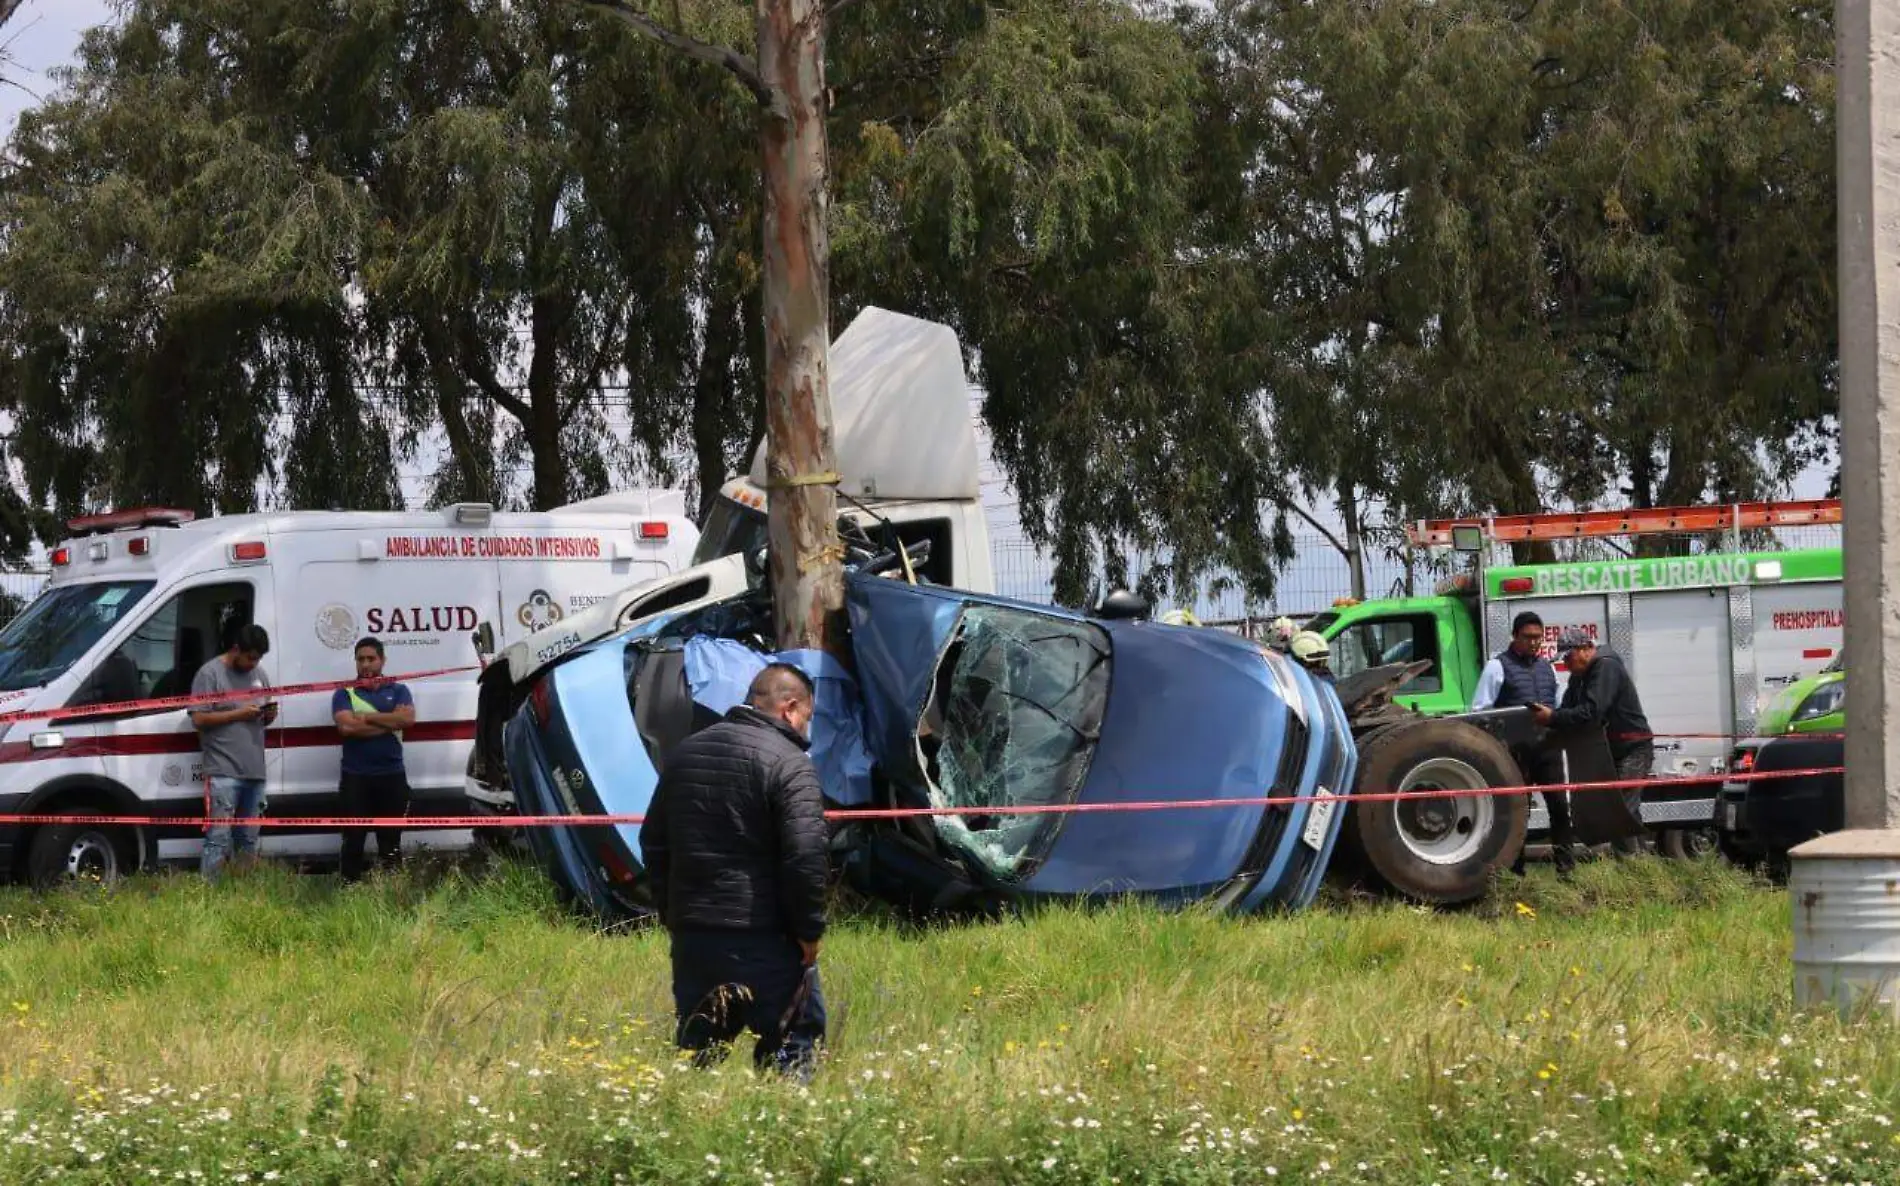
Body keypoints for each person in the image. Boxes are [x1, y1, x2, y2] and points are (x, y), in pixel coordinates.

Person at [639, 663, 829, 1079]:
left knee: (699, 1053)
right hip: (765, 939)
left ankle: (689, 1126)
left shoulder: (685, 754)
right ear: (790, 708)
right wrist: (808, 931)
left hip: (695, 941)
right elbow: (806, 855)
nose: (805, 728)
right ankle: (786, 1127)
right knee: (791, 1045)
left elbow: (653, 842)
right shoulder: (790, 763)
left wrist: (673, 915)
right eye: (807, 717)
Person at [1533, 629, 1654, 858]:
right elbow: (1568, 710)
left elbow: (1592, 712)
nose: (1566, 665)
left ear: (1586, 648)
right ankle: (1642, 866)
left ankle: (1628, 868)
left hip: (1633, 749)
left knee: (1618, 813)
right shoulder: (1580, 675)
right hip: (1611, 751)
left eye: (1568, 658)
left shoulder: (1605, 666)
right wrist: (1548, 724)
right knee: (1628, 813)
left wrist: (1553, 718)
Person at [1470, 612, 1576, 873]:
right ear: (1515, 636)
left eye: (1538, 638)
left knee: (1560, 810)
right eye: (1528, 637)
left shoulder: (1548, 668)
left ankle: (1566, 869)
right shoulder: (1497, 667)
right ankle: (1515, 872)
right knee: (1518, 814)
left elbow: (1559, 706)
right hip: (1515, 753)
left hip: (1548, 749)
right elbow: (1480, 711)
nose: (1534, 643)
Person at [189, 624, 276, 880]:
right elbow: (199, 719)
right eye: (250, 657)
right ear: (236, 649)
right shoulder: (210, 673)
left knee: (248, 839)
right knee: (218, 837)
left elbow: (263, 714)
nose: (254, 663)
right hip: (223, 771)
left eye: (258, 658)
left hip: (254, 771)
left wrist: (269, 715)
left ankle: (243, 895)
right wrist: (238, 713)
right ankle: (211, 895)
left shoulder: (259, 674)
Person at [331, 637, 416, 882]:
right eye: (361, 659)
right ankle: (350, 891)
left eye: (371, 658)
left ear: (382, 660)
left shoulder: (399, 690)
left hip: (391, 776)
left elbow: (408, 720)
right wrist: (389, 721)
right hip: (356, 777)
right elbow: (347, 728)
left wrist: (366, 719)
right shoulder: (344, 692)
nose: (366, 664)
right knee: (353, 840)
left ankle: (391, 892)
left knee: (391, 841)